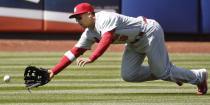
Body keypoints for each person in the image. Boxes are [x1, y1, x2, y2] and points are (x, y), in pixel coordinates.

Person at [48, 3, 208, 94]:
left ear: (90, 14)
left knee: (162, 71)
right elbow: (74, 52)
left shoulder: (105, 18)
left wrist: (92, 58)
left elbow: (107, 38)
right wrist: (54, 71)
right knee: (129, 75)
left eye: (79, 16)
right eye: (75, 18)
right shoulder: (88, 33)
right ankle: (170, 73)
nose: (77, 20)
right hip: (134, 42)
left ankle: (199, 76)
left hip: (149, 32)